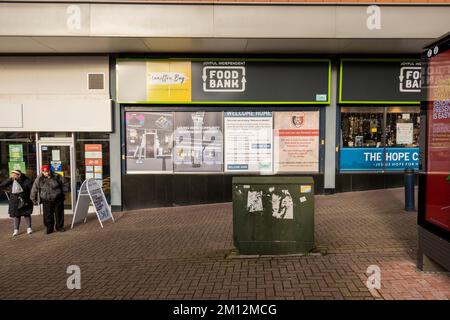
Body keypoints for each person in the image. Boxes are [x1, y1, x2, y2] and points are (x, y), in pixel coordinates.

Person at [31, 165, 67, 234]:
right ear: (42, 172)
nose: (46, 173)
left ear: (50, 170)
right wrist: (33, 198)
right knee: (47, 215)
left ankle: (59, 227)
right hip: (46, 198)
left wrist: (62, 192)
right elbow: (34, 188)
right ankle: (49, 228)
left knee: (59, 214)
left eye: (47, 171)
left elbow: (65, 183)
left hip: (57, 198)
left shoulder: (57, 176)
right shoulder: (39, 178)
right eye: (44, 172)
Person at [0, 169, 33, 236]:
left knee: (26, 214)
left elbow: (30, 189)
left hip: (24, 199)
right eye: (12, 174)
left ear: (19, 175)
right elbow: (2, 185)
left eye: (15, 175)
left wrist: (29, 198)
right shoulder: (11, 180)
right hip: (14, 201)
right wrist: (10, 179)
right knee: (16, 215)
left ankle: (29, 228)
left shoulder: (26, 180)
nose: (13, 176)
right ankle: (16, 230)